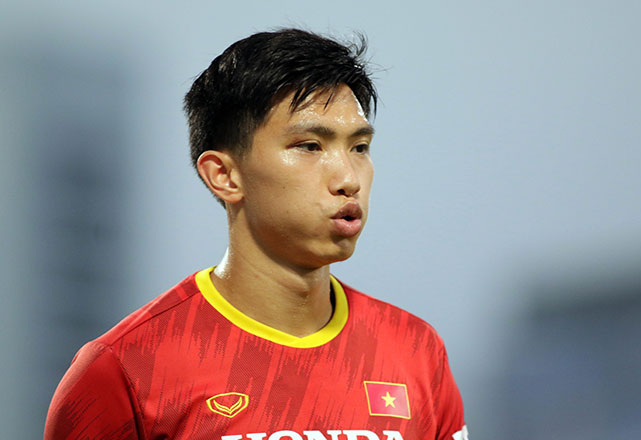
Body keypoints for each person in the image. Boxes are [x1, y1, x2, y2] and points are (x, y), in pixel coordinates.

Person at [44, 28, 468, 440]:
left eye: (359, 147)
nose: (348, 179)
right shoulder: (125, 369)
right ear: (224, 175)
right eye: (309, 146)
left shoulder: (415, 350)